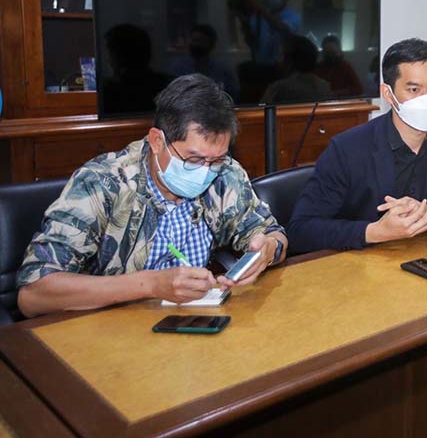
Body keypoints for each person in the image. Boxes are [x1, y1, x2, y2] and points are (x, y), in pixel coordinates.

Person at [17, 74, 287, 318]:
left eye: (215, 160)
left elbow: (274, 234)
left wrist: (268, 249)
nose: (206, 171)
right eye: (193, 159)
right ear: (157, 141)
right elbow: (32, 296)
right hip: (110, 331)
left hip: (193, 324)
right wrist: (151, 284)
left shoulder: (225, 173)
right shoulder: (101, 183)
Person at [287, 38, 427, 252]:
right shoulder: (347, 148)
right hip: (362, 264)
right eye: (414, 89)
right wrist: (374, 231)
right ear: (388, 94)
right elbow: (301, 231)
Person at [170, 24, 240, 99]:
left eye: (200, 41)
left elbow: (233, 96)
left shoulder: (223, 70)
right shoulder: (179, 68)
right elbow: (173, 95)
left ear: (211, 44)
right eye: (193, 40)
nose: (195, 44)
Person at [244, 0, 302, 64]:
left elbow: (281, 28)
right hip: (259, 65)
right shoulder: (257, 16)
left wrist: (261, 9)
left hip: (281, 66)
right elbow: (250, 41)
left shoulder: (293, 16)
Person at [261, 36, 333, 104]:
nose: (277, 61)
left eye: (281, 55)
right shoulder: (325, 87)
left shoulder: (277, 89)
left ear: (289, 60)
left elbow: (261, 111)